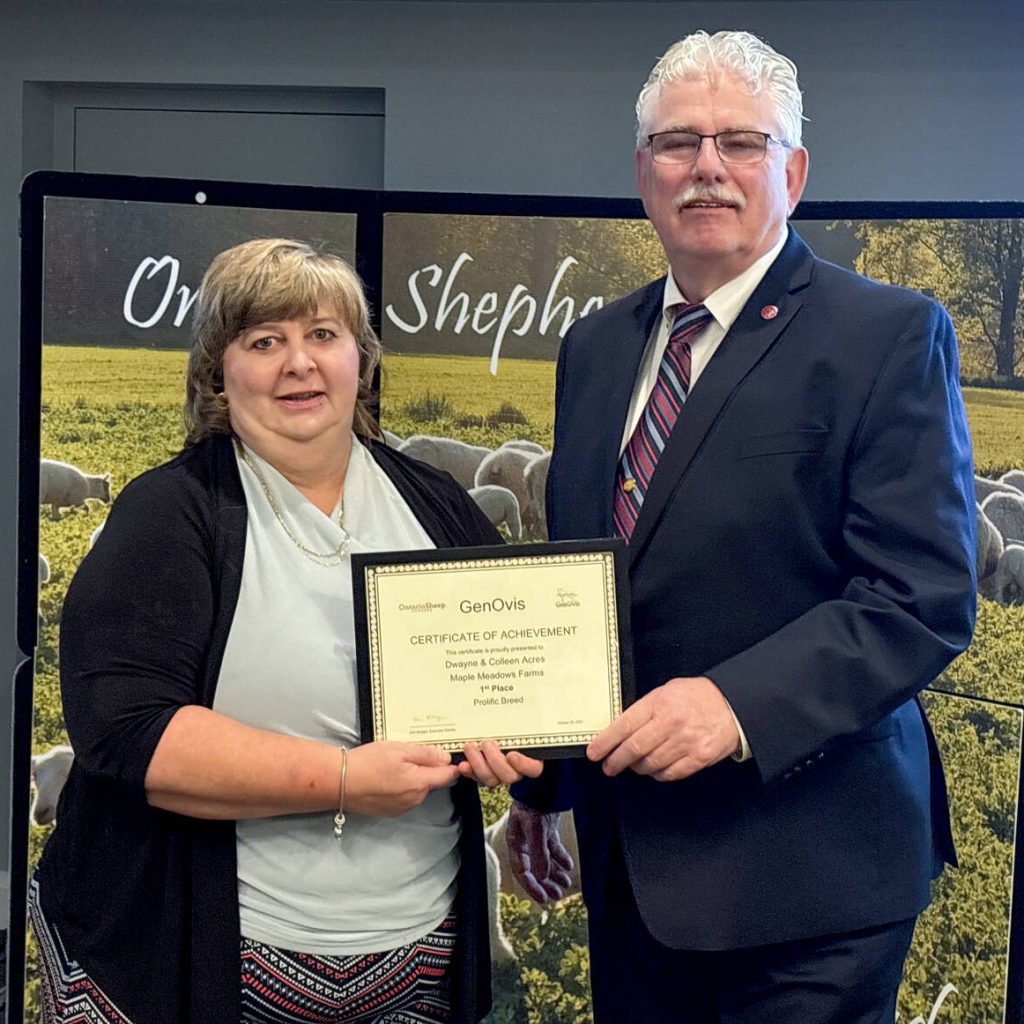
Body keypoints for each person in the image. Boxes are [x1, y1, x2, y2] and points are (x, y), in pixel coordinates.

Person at [508, 29, 976, 1024]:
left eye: (741, 143)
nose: (706, 167)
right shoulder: (593, 348)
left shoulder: (884, 335)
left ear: (792, 171)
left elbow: (921, 596)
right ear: (643, 171)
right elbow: (580, 586)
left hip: (812, 875)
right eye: (677, 142)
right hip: (635, 872)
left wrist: (733, 704)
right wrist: (544, 787)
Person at [30, 238, 540, 1024]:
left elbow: (509, 677)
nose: (298, 363)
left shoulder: (438, 506)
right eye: (264, 341)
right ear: (216, 371)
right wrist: (343, 780)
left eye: (323, 336)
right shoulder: (165, 517)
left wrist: (510, 733)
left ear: (360, 360)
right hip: (197, 965)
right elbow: (129, 734)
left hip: (419, 968)